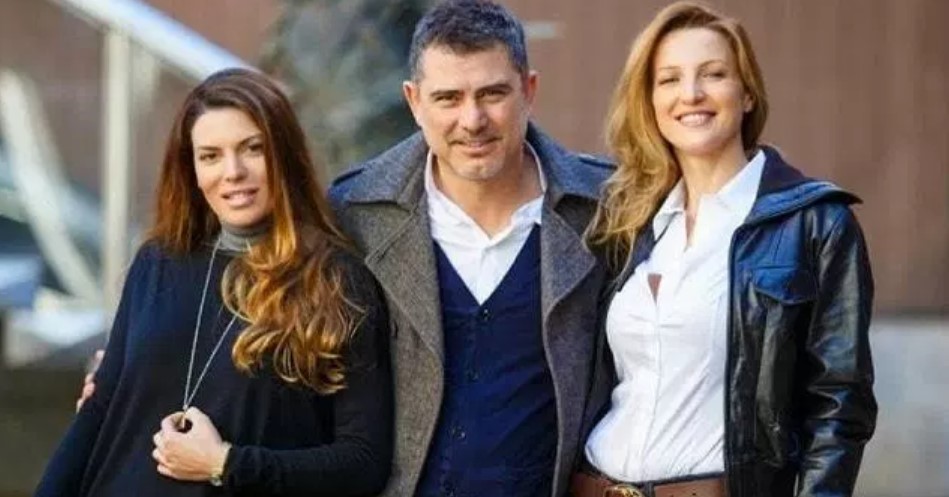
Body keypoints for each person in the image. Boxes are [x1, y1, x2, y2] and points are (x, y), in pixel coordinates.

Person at [38, 68, 392, 497]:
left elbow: (363, 462)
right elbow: (99, 409)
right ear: (191, 169)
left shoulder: (337, 280)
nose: (233, 172)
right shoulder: (158, 262)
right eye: (210, 156)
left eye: (252, 149)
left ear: (284, 154)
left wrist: (226, 463)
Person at [576, 3, 877, 497]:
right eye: (669, 79)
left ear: (747, 93)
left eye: (713, 74)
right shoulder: (627, 222)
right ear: (650, 101)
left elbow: (839, 403)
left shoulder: (815, 224)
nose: (691, 94)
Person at [328, 1, 612, 496]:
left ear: (529, 90)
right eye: (448, 98)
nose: (473, 120)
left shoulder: (605, 210)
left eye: (492, 93)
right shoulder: (357, 213)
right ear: (414, 101)